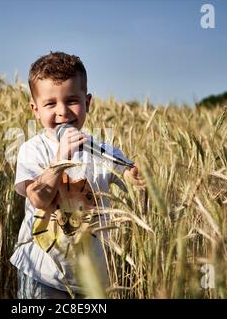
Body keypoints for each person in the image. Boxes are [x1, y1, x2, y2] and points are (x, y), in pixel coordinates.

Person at [10, 52, 143, 299]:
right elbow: (38, 198)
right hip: (42, 273)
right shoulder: (32, 150)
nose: (63, 112)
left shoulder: (103, 151)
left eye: (72, 101)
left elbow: (129, 177)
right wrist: (60, 158)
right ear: (35, 110)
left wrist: (134, 178)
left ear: (88, 103)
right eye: (50, 104)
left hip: (91, 279)